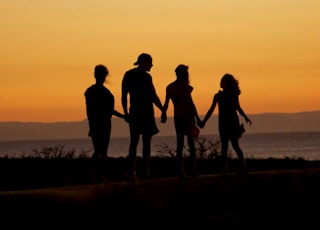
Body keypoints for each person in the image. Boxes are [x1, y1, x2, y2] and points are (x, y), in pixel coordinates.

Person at [198, 73, 252, 176]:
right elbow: (211, 110)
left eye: (222, 81)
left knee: (231, 146)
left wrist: (245, 117)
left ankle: (235, 169)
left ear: (226, 83)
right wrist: (203, 121)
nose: (220, 82)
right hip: (226, 123)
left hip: (229, 122)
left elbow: (238, 107)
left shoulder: (228, 95)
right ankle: (226, 169)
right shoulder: (219, 96)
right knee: (227, 146)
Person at [121, 53, 163, 180]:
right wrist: (126, 113)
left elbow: (153, 96)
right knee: (140, 143)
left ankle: (138, 172)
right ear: (144, 62)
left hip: (140, 112)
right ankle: (138, 172)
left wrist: (162, 109)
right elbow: (152, 96)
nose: (151, 65)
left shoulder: (140, 76)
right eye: (150, 62)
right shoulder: (137, 76)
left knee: (138, 143)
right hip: (140, 113)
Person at [84, 64, 125, 183]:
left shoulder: (90, 91)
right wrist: (123, 116)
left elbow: (90, 111)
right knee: (102, 151)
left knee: (99, 150)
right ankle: (98, 175)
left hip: (97, 123)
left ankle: (95, 175)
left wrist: (91, 125)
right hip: (103, 124)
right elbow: (109, 110)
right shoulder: (106, 93)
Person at [161, 64, 201, 180]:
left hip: (179, 116)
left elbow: (166, 103)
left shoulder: (170, 87)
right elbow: (190, 103)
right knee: (190, 144)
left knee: (181, 144)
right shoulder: (185, 87)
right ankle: (192, 170)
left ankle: (182, 171)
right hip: (186, 116)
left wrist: (164, 114)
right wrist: (197, 118)